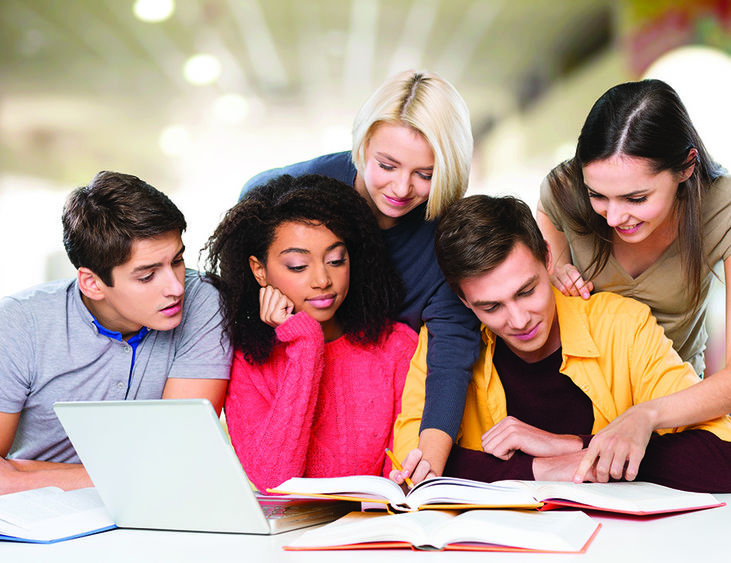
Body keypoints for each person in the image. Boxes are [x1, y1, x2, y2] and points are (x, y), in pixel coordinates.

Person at [392, 195, 731, 492]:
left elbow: (722, 456)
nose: (519, 320)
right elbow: (415, 472)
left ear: (548, 258)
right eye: (491, 307)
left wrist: (571, 448)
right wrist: (541, 469)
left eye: (527, 291)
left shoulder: (622, 326)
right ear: (463, 301)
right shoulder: (443, 343)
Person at [240, 70, 479, 479]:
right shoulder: (291, 189)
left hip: (382, 412)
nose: (402, 188)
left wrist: (431, 452)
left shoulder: (443, 238)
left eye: (425, 174)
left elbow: (452, 349)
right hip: (293, 391)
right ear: (364, 143)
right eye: (387, 165)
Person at [0, 171, 231, 502]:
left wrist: (20, 478)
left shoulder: (203, 301)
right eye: (147, 276)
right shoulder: (19, 323)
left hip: (151, 511)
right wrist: (137, 475)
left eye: (177, 261)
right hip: (32, 518)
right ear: (91, 283)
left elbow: (177, 461)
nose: (176, 288)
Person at [536, 79, 731, 482]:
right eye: (598, 196)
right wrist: (554, 269)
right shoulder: (564, 190)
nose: (611, 217)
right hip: (577, 408)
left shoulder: (722, 208)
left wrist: (646, 415)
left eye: (636, 198)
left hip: (673, 409)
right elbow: (546, 220)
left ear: (686, 167)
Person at [202, 174, 418, 492]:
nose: (322, 279)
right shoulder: (246, 361)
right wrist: (306, 342)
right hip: (285, 538)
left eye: (335, 260)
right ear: (258, 269)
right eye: (298, 266)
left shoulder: (396, 346)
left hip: (378, 532)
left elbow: (398, 482)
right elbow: (274, 479)